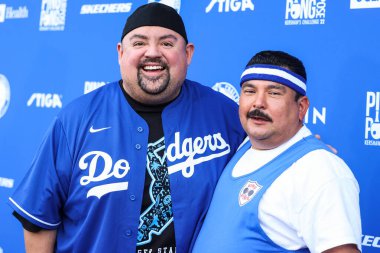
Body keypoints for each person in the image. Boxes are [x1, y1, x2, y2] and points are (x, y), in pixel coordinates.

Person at [8, 3, 246, 253]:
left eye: (167, 43)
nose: (152, 52)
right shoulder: (75, 119)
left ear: (188, 54)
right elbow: (38, 220)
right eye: (139, 42)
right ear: (121, 52)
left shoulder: (225, 115)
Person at [192, 50, 362, 253]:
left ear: (301, 107)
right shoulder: (245, 144)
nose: (258, 103)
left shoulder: (320, 170)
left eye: (274, 93)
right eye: (249, 91)